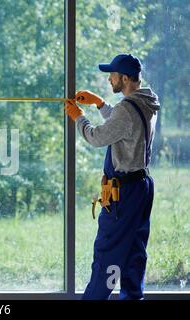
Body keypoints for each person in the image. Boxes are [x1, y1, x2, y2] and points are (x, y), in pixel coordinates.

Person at [65, 53, 160, 300]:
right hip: (141, 186)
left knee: (109, 250)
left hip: (123, 192)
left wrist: (78, 117)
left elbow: (97, 137)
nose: (109, 80)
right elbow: (124, 127)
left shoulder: (126, 109)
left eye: (113, 75)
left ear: (125, 78)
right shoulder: (146, 102)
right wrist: (100, 104)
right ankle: (132, 296)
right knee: (133, 251)